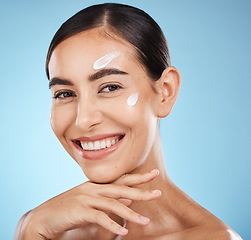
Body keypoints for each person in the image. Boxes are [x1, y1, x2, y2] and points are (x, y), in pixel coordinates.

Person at [15, 3, 242, 240]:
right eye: (65, 94)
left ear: (165, 92)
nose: (83, 120)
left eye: (110, 87)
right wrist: (29, 229)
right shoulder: (50, 229)